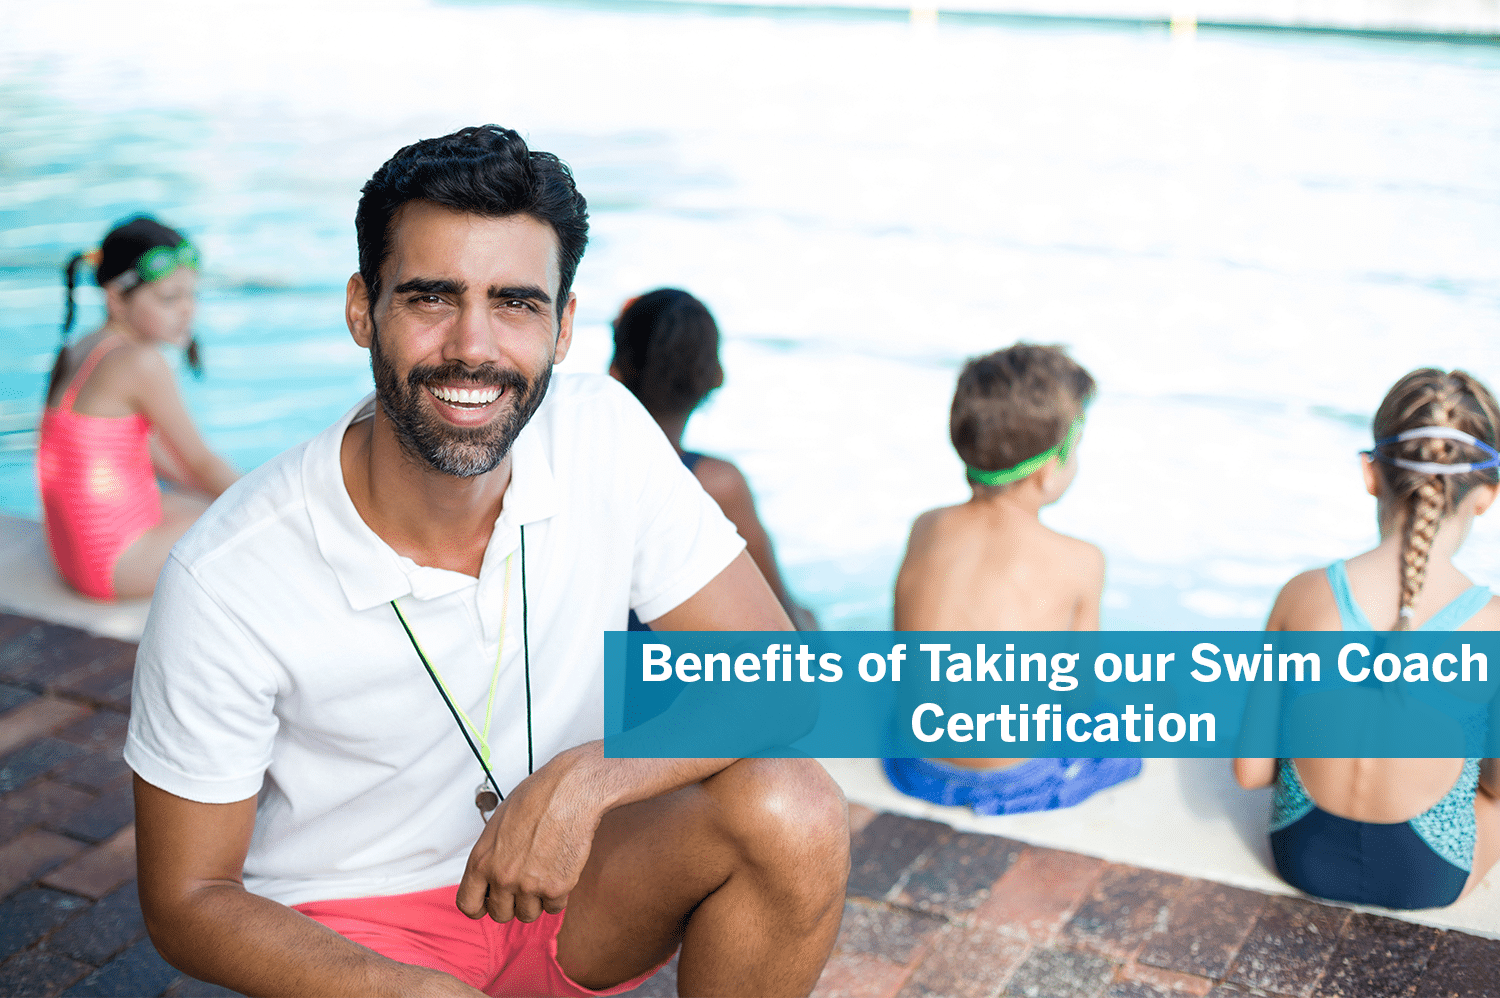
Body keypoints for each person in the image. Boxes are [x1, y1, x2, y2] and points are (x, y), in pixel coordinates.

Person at [126, 126, 848, 998]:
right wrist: (404, 989)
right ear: (364, 308)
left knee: (795, 808)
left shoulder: (604, 433)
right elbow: (186, 900)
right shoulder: (227, 573)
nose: (474, 347)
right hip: (350, 926)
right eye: (432, 298)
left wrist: (587, 782)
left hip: (570, 886)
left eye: (516, 303)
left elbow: (780, 681)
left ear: (565, 325)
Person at [1235, 368, 1500, 910]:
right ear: (1486, 494)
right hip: (1427, 876)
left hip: (1301, 855)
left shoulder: (1302, 594)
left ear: (1370, 473)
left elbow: (1250, 771)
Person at [882, 343, 1140, 814]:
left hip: (913, 763)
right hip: (1010, 777)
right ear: (1048, 471)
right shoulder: (1081, 560)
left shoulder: (926, 526)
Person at [37, 215, 238, 600]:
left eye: (191, 295)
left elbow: (157, 458)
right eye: (169, 299)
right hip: (114, 567)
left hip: (73, 558)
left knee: (211, 501)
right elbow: (200, 463)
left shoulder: (85, 347)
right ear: (115, 298)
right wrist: (279, 506)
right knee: (255, 533)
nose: (187, 310)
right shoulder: (139, 362)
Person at [610, 289, 818, 631]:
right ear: (714, 377)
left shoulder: (579, 464)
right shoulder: (715, 483)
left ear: (617, 367)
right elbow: (779, 613)